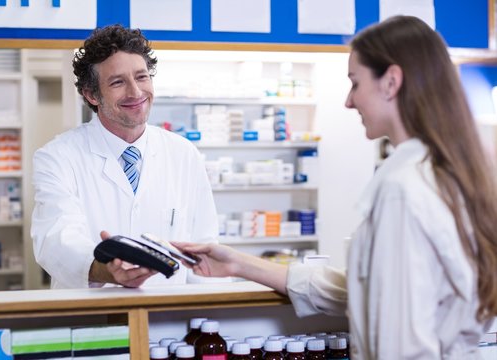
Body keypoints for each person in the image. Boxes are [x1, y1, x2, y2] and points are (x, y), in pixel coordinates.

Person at [174, 16, 497, 358]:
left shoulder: (405, 188)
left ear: (391, 82)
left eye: (355, 83)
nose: (348, 101)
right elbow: (366, 290)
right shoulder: (447, 172)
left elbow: (403, 347)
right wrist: (239, 264)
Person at [31, 25, 219, 289]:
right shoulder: (57, 157)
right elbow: (56, 239)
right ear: (91, 94)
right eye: (118, 82)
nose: (136, 92)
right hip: (92, 320)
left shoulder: (183, 153)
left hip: (170, 319)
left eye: (142, 77)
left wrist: (210, 317)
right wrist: (104, 269)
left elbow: (205, 246)